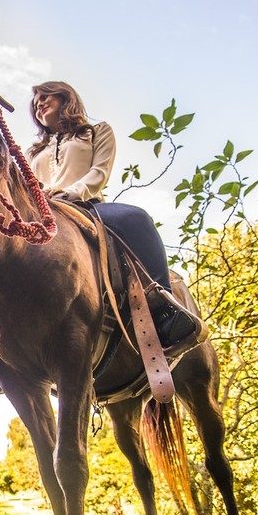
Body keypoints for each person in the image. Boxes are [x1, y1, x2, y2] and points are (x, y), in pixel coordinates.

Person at [28, 80, 205, 356]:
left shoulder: (97, 132)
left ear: (65, 97)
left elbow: (99, 173)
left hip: (86, 205)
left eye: (44, 96)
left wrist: (69, 193)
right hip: (43, 215)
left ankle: (163, 306)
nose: (38, 103)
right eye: (35, 101)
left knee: (136, 219)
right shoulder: (33, 151)